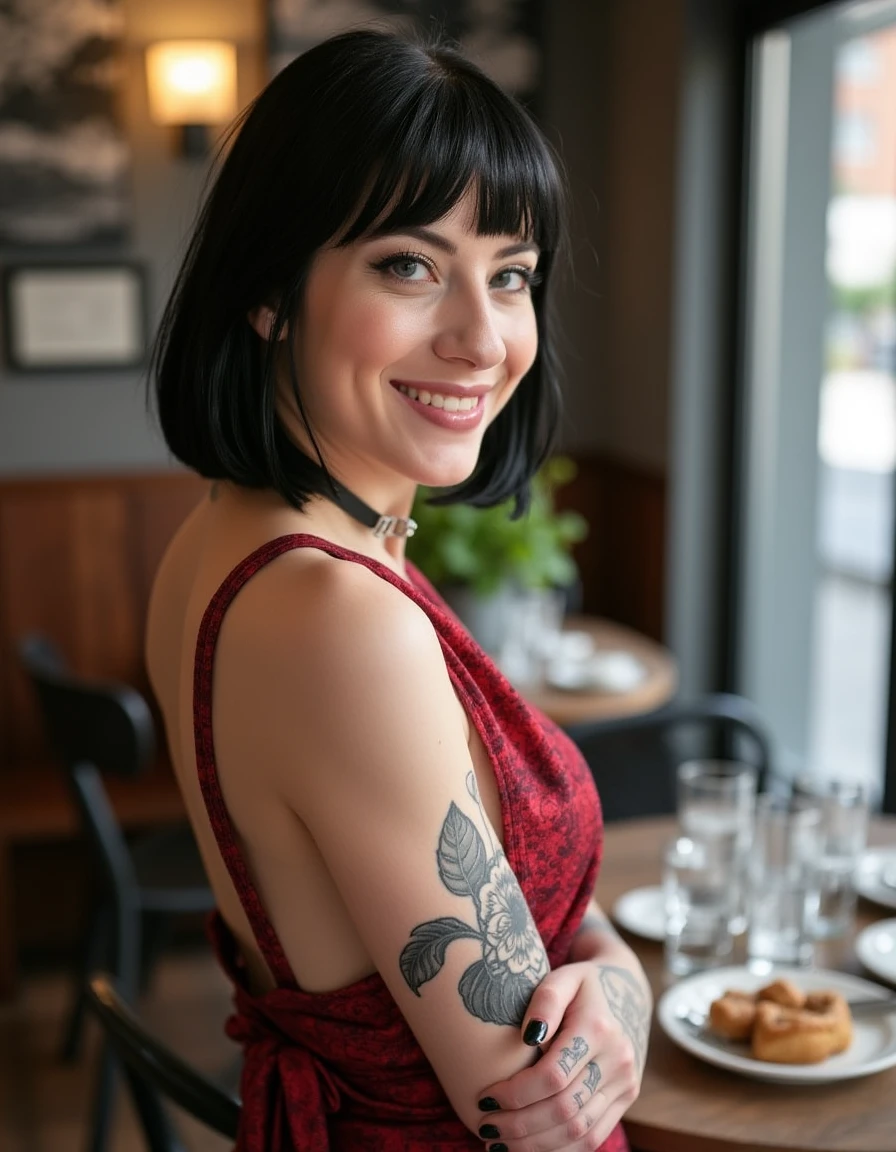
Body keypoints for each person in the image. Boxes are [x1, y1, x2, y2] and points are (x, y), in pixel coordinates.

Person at [146, 27, 651, 1152]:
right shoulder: (335, 617)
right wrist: (626, 994)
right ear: (269, 290)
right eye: (409, 265)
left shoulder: (229, 536)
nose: (481, 338)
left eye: (509, 275)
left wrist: (604, 966)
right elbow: (533, 1109)